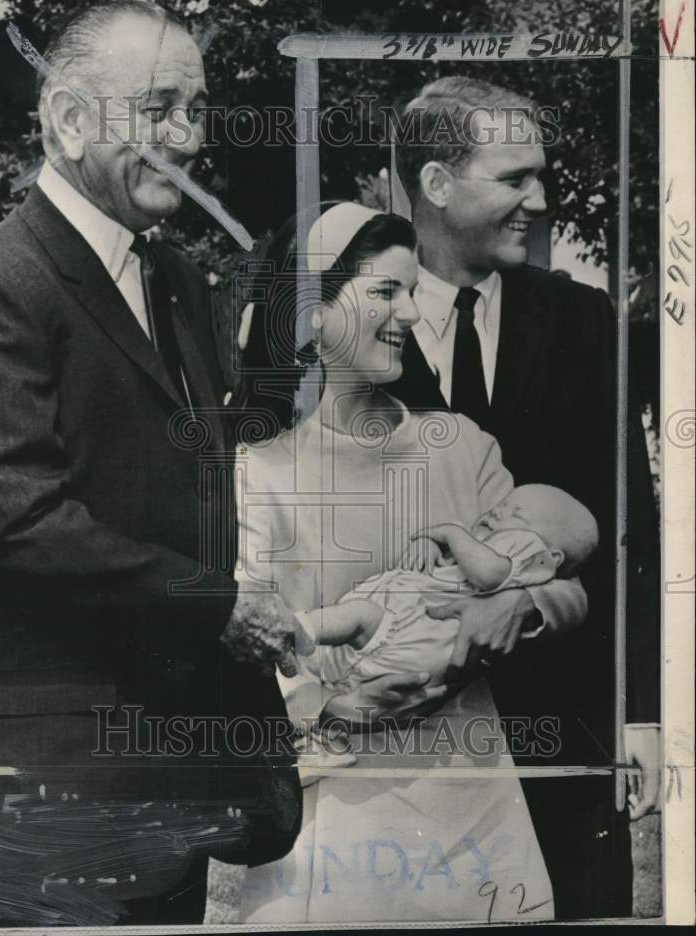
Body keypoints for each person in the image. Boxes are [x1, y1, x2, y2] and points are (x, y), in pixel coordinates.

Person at [0, 0, 302, 928]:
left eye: (196, 110)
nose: (186, 137)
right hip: (42, 791)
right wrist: (221, 605)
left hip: (164, 778)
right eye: (158, 107)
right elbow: (19, 521)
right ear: (68, 120)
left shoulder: (175, 279)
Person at [234, 202, 588, 923]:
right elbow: (251, 639)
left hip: (475, 807)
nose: (406, 314)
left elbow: (564, 581)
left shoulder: (461, 445)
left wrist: (519, 608)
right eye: (382, 292)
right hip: (338, 816)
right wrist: (334, 706)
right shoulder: (261, 471)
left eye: (410, 291)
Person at [386, 76, 661, 918]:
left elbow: (629, 529)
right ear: (436, 183)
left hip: (565, 732)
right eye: (514, 179)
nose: (539, 201)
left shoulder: (584, 322)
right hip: (406, 746)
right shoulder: (353, 326)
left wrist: (640, 715)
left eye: (540, 177)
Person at [294, 484, 599, 701]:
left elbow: (489, 573)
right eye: (501, 505)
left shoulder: (525, 552)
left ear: (550, 558)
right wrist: (430, 543)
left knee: (357, 616)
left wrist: (450, 535)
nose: (497, 512)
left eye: (516, 514)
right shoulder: (495, 544)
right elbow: (455, 562)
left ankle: (296, 629)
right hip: (413, 654)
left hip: (413, 636)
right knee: (352, 643)